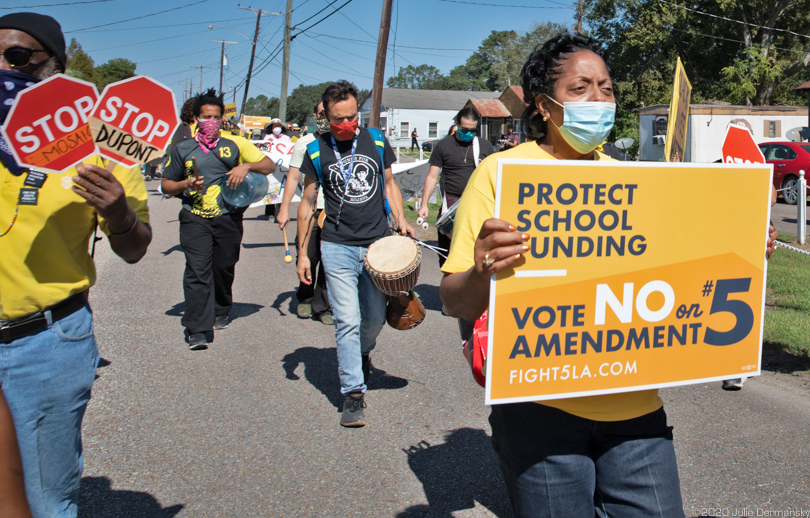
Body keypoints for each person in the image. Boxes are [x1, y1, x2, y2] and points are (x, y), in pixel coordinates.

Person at [440, 32, 686, 517]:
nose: (599, 99)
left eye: (607, 88)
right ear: (544, 106)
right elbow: (454, 300)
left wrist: (736, 243)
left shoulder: (633, 180)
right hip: (538, 413)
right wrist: (485, 272)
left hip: (636, 409)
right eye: (581, 88)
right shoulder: (500, 174)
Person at [0, 12, 152, 516]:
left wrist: (118, 212)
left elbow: (134, 248)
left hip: (41, 345)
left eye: (17, 57)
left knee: (45, 500)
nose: (3, 67)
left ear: (53, 69)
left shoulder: (104, 141)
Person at [296, 80, 413, 427]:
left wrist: (402, 220)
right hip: (336, 245)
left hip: (378, 244)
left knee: (375, 318)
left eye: (351, 117)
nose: (347, 124)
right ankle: (353, 393)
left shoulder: (376, 140)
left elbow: (390, 183)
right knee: (346, 319)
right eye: (338, 119)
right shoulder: (315, 151)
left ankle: (362, 354)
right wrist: (303, 253)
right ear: (326, 118)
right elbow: (305, 203)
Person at [162, 88, 274, 350]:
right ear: (196, 119)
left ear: (222, 118)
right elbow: (166, 185)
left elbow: (268, 165)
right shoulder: (183, 148)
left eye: (215, 116)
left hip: (228, 217)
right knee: (197, 271)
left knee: (223, 267)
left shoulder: (235, 143)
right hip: (195, 217)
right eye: (205, 117)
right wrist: (186, 184)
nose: (210, 121)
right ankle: (198, 328)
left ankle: (221, 307)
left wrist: (246, 165)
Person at [277, 99, 333, 325]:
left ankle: (323, 305)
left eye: (328, 113)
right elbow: (292, 178)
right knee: (308, 256)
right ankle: (305, 296)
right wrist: (283, 209)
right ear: (314, 116)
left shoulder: (344, 143)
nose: (325, 118)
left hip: (334, 212)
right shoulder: (305, 143)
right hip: (311, 210)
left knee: (330, 261)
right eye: (321, 114)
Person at [418, 107, 494, 267]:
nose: (468, 133)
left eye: (473, 130)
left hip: (476, 207)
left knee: (475, 256)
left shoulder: (484, 146)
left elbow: (494, 176)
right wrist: (424, 204)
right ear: (457, 124)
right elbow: (432, 177)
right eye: (464, 129)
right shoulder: (443, 146)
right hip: (450, 206)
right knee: (447, 256)